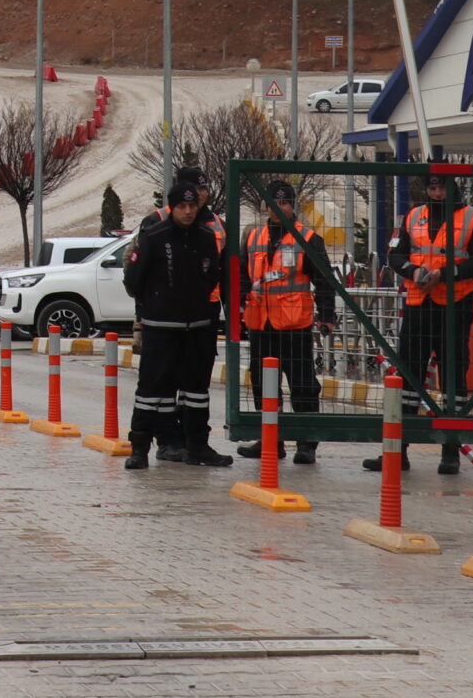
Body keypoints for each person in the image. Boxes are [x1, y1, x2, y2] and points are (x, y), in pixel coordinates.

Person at [371, 171, 473, 477]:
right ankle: (399, 452)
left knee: (453, 378)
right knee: (408, 378)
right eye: (433, 188)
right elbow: (395, 255)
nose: (437, 193)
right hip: (418, 304)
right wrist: (414, 272)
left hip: (455, 305)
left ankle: (450, 453)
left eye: (442, 188)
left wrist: (445, 274)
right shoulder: (413, 217)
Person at [120, 166, 232, 470]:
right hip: (160, 327)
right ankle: (141, 447)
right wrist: (153, 307)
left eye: (191, 205)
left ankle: (197, 445)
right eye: (181, 206)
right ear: (172, 206)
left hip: (197, 326)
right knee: (152, 390)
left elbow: (214, 277)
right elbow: (133, 279)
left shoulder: (208, 236)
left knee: (196, 390)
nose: (187, 211)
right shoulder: (155, 234)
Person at [234, 178, 339, 465]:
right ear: (265, 206)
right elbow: (243, 274)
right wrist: (243, 296)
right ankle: (271, 439)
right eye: (274, 203)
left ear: (293, 206)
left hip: (295, 325)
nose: (279, 209)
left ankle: (306, 443)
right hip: (261, 324)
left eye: (285, 203)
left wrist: (327, 316)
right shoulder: (254, 237)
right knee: (263, 384)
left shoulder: (308, 238)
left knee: (302, 385)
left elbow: (325, 281)